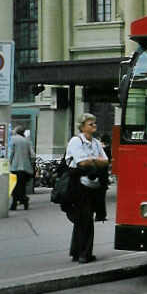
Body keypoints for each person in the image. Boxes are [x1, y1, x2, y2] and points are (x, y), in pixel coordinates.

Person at [64, 113, 109, 263]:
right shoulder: (76, 141)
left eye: (95, 123)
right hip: (78, 186)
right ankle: (85, 254)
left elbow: (106, 161)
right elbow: (81, 162)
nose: (94, 126)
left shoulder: (95, 142)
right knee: (86, 219)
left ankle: (76, 252)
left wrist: (93, 160)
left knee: (83, 219)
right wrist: (96, 161)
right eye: (91, 124)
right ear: (82, 126)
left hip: (93, 186)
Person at [9, 125, 35, 210]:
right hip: (25, 168)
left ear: (16, 131)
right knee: (21, 186)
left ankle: (21, 200)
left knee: (15, 186)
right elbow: (32, 155)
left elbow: (11, 153)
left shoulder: (13, 139)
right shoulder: (27, 141)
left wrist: (8, 162)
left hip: (15, 167)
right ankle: (19, 202)